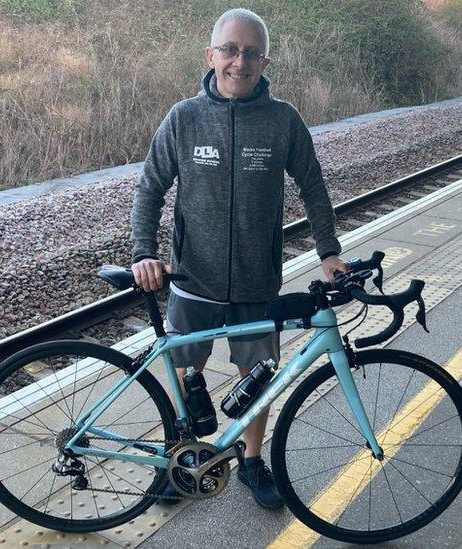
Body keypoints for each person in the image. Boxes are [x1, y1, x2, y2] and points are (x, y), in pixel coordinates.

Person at [129, 8, 346, 509]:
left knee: (259, 376)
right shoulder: (183, 118)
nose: (239, 61)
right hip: (191, 278)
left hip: (255, 281)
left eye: (250, 52)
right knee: (186, 370)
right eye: (230, 49)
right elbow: (149, 190)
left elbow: (312, 186)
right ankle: (182, 457)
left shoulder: (283, 121)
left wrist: (328, 252)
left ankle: (250, 461)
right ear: (211, 55)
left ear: (264, 62)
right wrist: (145, 253)